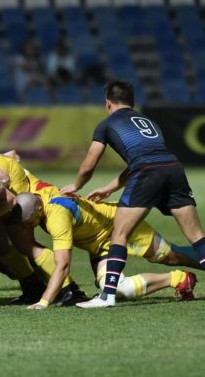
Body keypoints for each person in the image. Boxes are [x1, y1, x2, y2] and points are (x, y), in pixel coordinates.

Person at [59, 80, 205, 308]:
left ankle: (106, 296)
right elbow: (149, 156)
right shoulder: (150, 122)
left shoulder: (107, 124)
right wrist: (110, 188)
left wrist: (76, 185)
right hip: (174, 169)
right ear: (132, 102)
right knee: (197, 238)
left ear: (108, 103)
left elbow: (88, 165)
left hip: (147, 174)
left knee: (119, 234)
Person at [14, 192, 198, 310]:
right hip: (100, 246)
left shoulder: (57, 218)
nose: (27, 226)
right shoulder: (41, 196)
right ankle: (180, 279)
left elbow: (62, 265)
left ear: (39, 209)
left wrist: (43, 302)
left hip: (121, 227)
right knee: (118, 289)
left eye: (29, 221)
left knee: (172, 256)